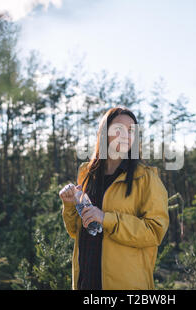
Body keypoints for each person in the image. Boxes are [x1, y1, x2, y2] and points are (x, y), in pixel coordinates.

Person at [59, 106, 169, 290]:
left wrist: (106, 219)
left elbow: (154, 232)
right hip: (85, 283)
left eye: (131, 130)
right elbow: (76, 231)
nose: (126, 135)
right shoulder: (87, 174)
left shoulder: (147, 178)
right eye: (119, 129)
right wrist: (69, 205)